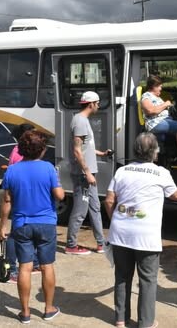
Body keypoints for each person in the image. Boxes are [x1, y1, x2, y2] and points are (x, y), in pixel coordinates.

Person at [105, 132, 177, 328]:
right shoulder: (161, 172)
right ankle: (145, 323)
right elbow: (175, 194)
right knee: (147, 279)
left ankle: (121, 319)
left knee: (122, 276)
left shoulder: (122, 171)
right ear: (154, 152)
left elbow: (109, 200)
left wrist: (117, 220)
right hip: (146, 236)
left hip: (120, 233)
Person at [0, 130, 65, 324]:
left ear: (21, 149)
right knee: (46, 266)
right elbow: (60, 195)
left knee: (24, 268)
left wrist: (2, 227)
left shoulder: (12, 170)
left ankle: (25, 312)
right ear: (42, 150)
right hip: (45, 223)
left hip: (21, 224)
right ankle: (48, 309)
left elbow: (7, 201)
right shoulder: (48, 168)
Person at [66, 91, 112, 255]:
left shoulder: (83, 120)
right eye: (98, 102)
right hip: (83, 174)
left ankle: (101, 244)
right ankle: (71, 245)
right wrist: (87, 173)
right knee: (80, 210)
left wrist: (101, 154)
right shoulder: (80, 121)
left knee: (95, 208)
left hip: (89, 173)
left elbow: (86, 147)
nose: (99, 105)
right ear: (91, 103)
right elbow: (77, 151)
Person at [5, 123, 40, 283]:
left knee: (27, 234)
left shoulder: (19, 150)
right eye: (32, 133)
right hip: (21, 198)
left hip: (25, 197)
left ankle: (33, 263)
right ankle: (12, 269)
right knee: (14, 235)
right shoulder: (19, 151)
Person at [140, 75, 177, 160]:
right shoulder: (146, 96)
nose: (161, 89)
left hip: (165, 120)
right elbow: (151, 111)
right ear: (153, 86)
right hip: (155, 123)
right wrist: (165, 104)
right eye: (159, 86)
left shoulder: (157, 97)